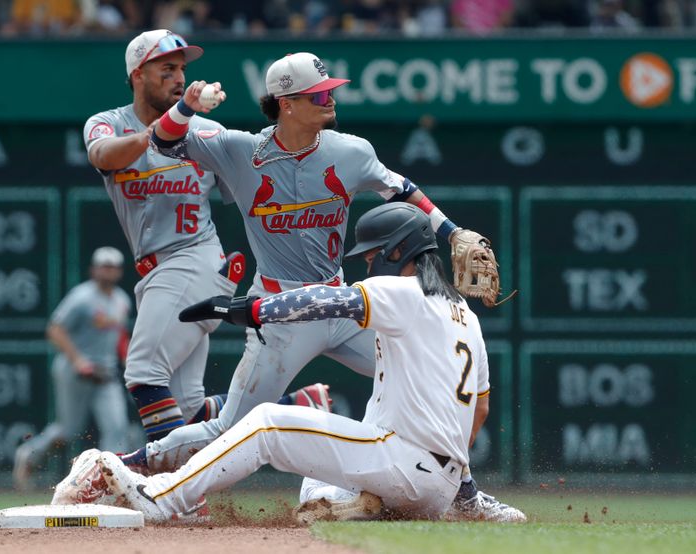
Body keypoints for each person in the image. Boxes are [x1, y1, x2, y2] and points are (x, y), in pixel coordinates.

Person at [103, 50, 519, 521]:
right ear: (287, 103)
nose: (330, 99)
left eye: (330, 91)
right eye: (318, 94)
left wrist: (452, 232)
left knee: (439, 375)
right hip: (280, 313)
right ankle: (131, 465)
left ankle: (464, 495)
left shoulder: (350, 151)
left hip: (343, 305)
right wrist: (187, 107)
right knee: (232, 427)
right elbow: (163, 140)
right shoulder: (238, 149)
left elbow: (401, 190)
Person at [52, 204, 525, 524]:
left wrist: (253, 310)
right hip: (436, 486)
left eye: (372, 255)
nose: (366, 264)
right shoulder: (465, 316)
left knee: (265, 424)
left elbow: (330, 300)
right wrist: (459, 492)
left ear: (398, 251)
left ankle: (159, 498)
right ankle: (367, 504)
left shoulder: (404, 290)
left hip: (401, 464)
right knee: (319, 474)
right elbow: (477, 415)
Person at [82, 31, 331, 450]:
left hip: (194, 260)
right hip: (157, 274)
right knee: (190, 408)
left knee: (143, 372)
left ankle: (166, 482)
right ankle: (297, 405)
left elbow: (255, 192)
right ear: (138, 74)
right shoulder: (108, 122)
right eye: (167, 69)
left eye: (182, 69)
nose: (180, 78)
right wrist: (166, 127)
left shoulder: (206, 131)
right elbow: (105, 156)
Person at [13, 247, 132, 491]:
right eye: (103, 266)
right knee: (68, 430)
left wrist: (129, 360)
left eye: (112, 266)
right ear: (94, 269)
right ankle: (30, 455)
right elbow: (55, 329)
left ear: (119, 271)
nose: (108, 271)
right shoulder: (82, 297)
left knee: (117, 427)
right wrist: (78, 360)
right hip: (75, 369)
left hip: (105, 373)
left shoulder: (122, 300)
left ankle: (107, 483)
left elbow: (119, 336)